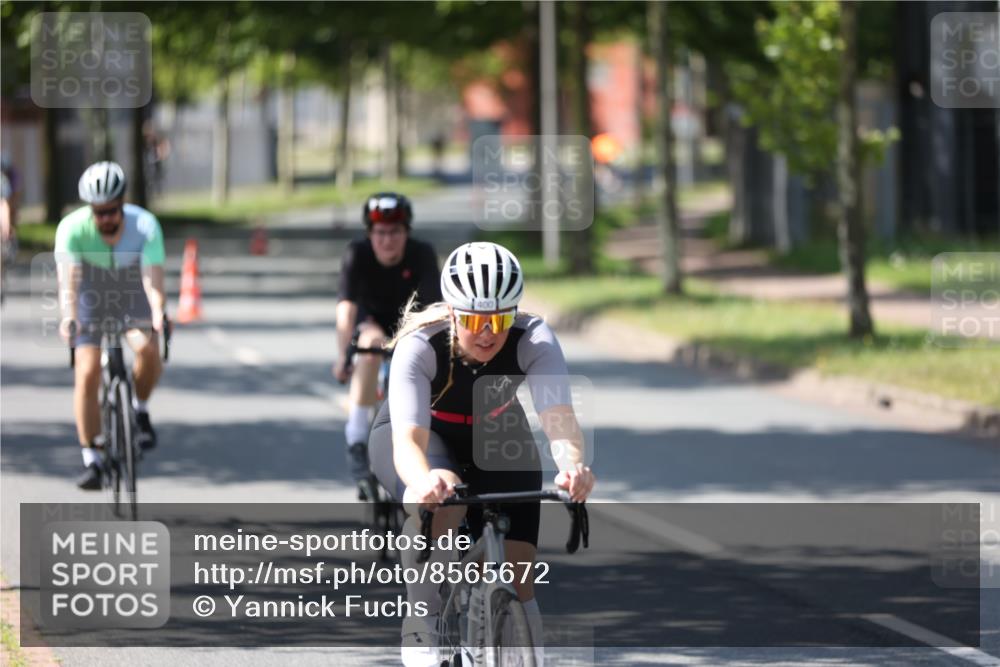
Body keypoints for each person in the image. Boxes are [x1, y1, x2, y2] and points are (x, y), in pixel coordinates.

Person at [369, 241, 596, 667]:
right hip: (422, 432)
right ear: (453, 313)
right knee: (444, 502)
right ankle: (423, 623)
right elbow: (409, 443)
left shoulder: (535, 339)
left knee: (519, 573)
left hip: (494, 429)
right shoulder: (421, 346)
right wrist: (423, 482)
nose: (489, 331)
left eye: (500, 318)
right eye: (475, 320)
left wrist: (572, 468)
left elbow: (560, 421)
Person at [55, 161, 167, 490]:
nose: (105, 219)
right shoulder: (72, 229)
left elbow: (152, 280)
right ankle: (92, 456)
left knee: (148, 348)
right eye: (98, 212)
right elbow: (69, 284)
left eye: (111, 211)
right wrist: (69, 316)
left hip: (130, 288)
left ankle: (140, 409)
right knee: (87, 371)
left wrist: (158, 311)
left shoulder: (145, 226)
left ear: (123, 204)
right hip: (91, 291)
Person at [333, 192, 441, 493]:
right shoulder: (357, 254)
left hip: (412, 322)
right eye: (380, 233)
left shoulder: (422, 254)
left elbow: (434, 310)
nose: (387, 240)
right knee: (370, 345)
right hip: (371, 323)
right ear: (370, 234)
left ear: (407, 232)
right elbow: (346, 309)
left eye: (395, 232)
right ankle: (356, 436)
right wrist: (342, 356)